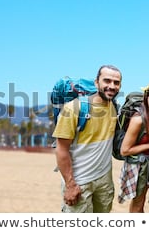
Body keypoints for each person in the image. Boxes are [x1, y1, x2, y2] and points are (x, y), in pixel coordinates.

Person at [53, 65, 122, 213]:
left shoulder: (114, 108)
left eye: (116, 83)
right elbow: (61, 150)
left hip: (104, 181)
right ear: (96, 83)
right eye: (107, 81)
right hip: (80, 182)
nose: (112, 86)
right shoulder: (74, 108)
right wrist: (70, 185)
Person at [118, 82, 149, 212]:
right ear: (146, 98)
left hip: (147, 164)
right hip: (137, 165)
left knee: (141, 200)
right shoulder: (138, 119)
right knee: (138, 202)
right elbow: (124, 150)